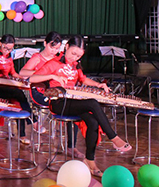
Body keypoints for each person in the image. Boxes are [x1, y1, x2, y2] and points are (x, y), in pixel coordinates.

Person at [29, 35, 132, 177]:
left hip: (73, 102)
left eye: (78, 56)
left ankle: (90, 161)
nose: (74, 58)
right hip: (58, 103)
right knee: (92, 103)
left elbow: (83, 79)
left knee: (92, 121)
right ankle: (113, 137)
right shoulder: (53, 63)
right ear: (66, 48)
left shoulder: (75, 66)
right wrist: (52, 77)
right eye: (73, 53)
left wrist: (99, 85)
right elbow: (32, 78)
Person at [20, 32, 84, 158]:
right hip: (40, 92)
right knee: (69, 105)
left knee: (74, 106)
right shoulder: (37, 58)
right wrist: (44, 73)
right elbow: (22, 72)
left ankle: (72, 146)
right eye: (51, 47)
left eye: (57, 48)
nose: (54, 51)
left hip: (58, 93)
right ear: (45, 43)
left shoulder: (60, 58)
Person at [0, 34, 41, 144]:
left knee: (19, 104)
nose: (7, 51)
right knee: (19, 93)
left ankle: (22, 135)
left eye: (10, 49)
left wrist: (24, 78)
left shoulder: (9, 58)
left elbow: (13, 73)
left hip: (8, 88)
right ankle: (34, 121)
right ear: (0, 44)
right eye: (5, 48)